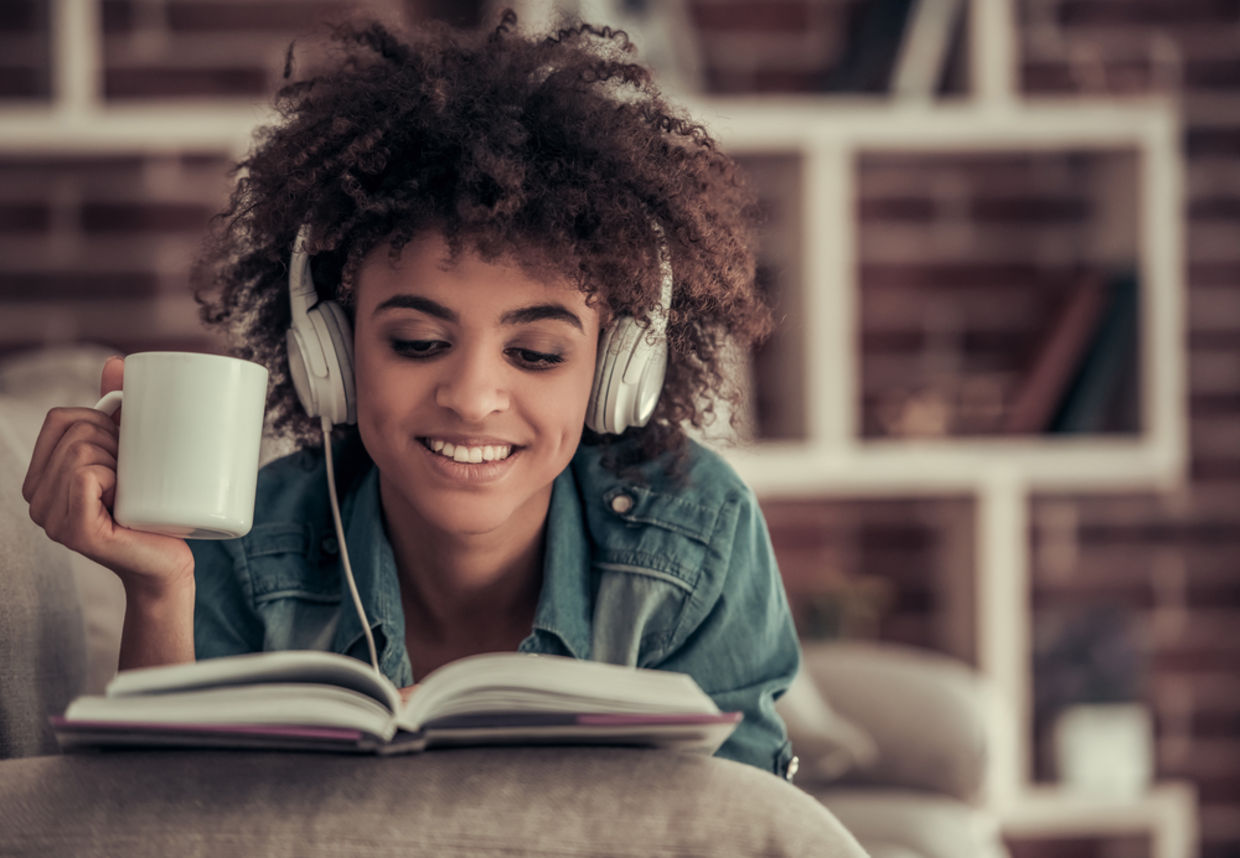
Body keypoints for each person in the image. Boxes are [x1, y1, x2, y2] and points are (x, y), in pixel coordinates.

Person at [21, 11, 800, 777]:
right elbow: (152, 826)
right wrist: (159, 586)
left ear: (617, 372)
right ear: (329, 348)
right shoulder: (252, 548)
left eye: (535, 353)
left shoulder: (695, 535)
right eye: (419, 344)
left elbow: (745, 822)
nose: (471, 396)